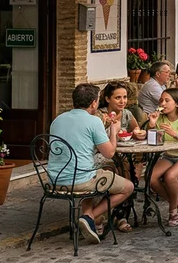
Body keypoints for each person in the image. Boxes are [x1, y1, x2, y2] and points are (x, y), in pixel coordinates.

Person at [47, 84, 135, 245]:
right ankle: (89, 217)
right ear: (94, 103)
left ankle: (89, 220)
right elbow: (109, 153)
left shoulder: (57, 119)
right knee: (128, 186)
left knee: (93, 171)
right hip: (80, 181)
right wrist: (114, 132)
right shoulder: (93, 121)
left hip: (55, 180)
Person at [144, 88, 178, 226]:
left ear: (177, 103)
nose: (163, 103)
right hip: (169, 155)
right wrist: (151, 124)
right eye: (161, 100)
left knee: (170, 176)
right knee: (150, 178)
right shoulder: (161, 118)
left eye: (167, 100)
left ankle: (173, 210)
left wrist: (176, 134)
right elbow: (151, 140)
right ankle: (176, 201)